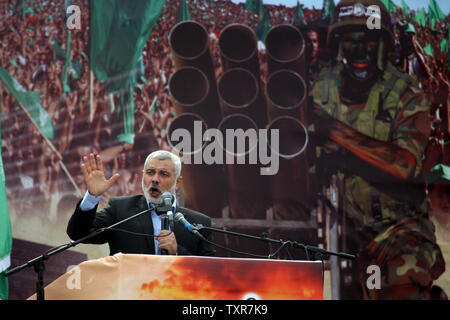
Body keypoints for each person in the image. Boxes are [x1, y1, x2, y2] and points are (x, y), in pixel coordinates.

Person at [310, 0, 446, 299]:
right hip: (341, 228)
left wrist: (334, 131)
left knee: (402, 281)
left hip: (398, 229)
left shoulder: (407, 93)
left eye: (370, 41)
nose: (360, 51)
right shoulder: (322, 89)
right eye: (351, 42)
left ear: (385, 44)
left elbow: (404, 163)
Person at [67, 150, 216, 256]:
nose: (155, 179)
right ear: (143, 175)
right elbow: (79, 234)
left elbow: (210, 274)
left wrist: (177, 252)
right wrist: (92, 196)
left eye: (163, 174)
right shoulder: (121, 210)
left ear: (177, 182)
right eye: (150, 172)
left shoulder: (199, 223)